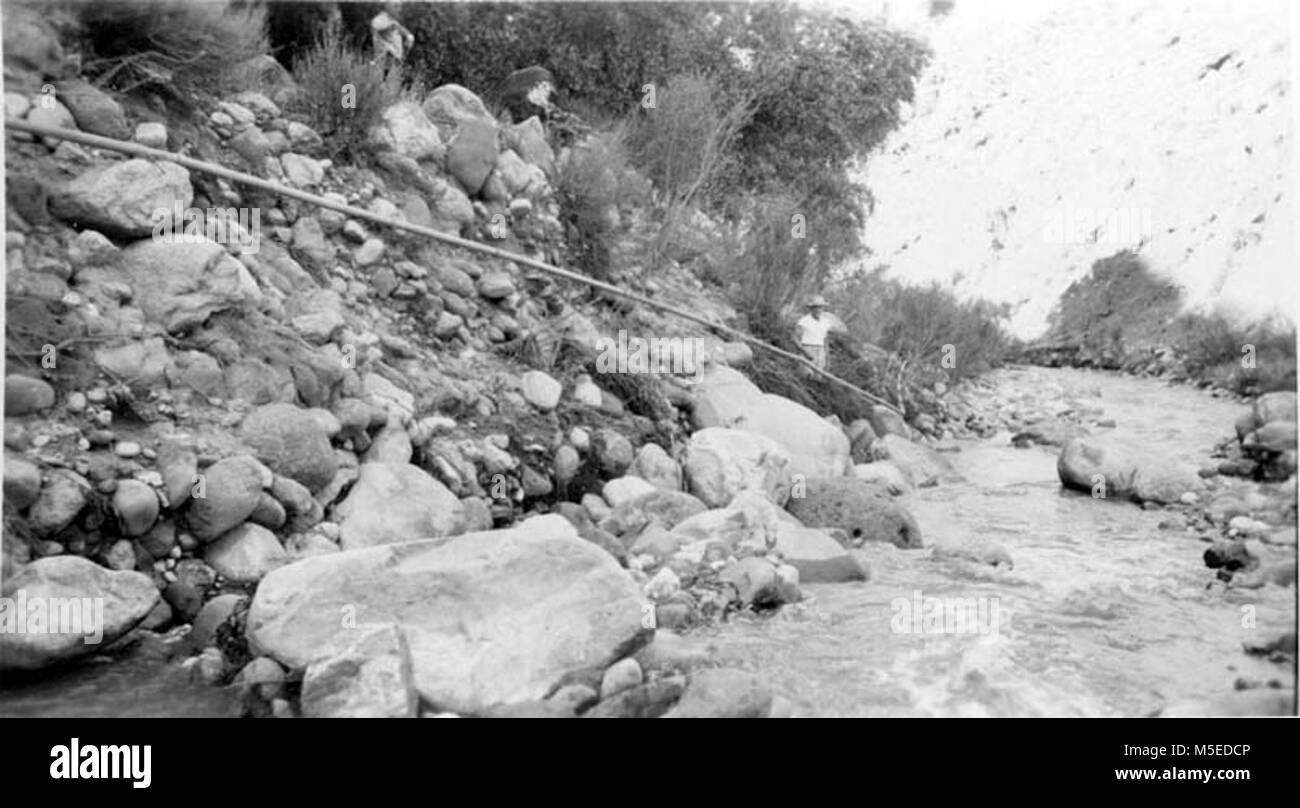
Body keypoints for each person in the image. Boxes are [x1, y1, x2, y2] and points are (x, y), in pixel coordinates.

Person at [794, 295, 846, 372]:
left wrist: (827, 358)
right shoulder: (804, 321)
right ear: (811, 308)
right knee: (806, 375)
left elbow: (825, 340)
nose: (818, 309)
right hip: (807, 348)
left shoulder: (825, 322)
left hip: (821, 351)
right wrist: (804, 352)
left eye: (820, 307)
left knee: (818, 377)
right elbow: (795, 338)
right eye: (816, 307)